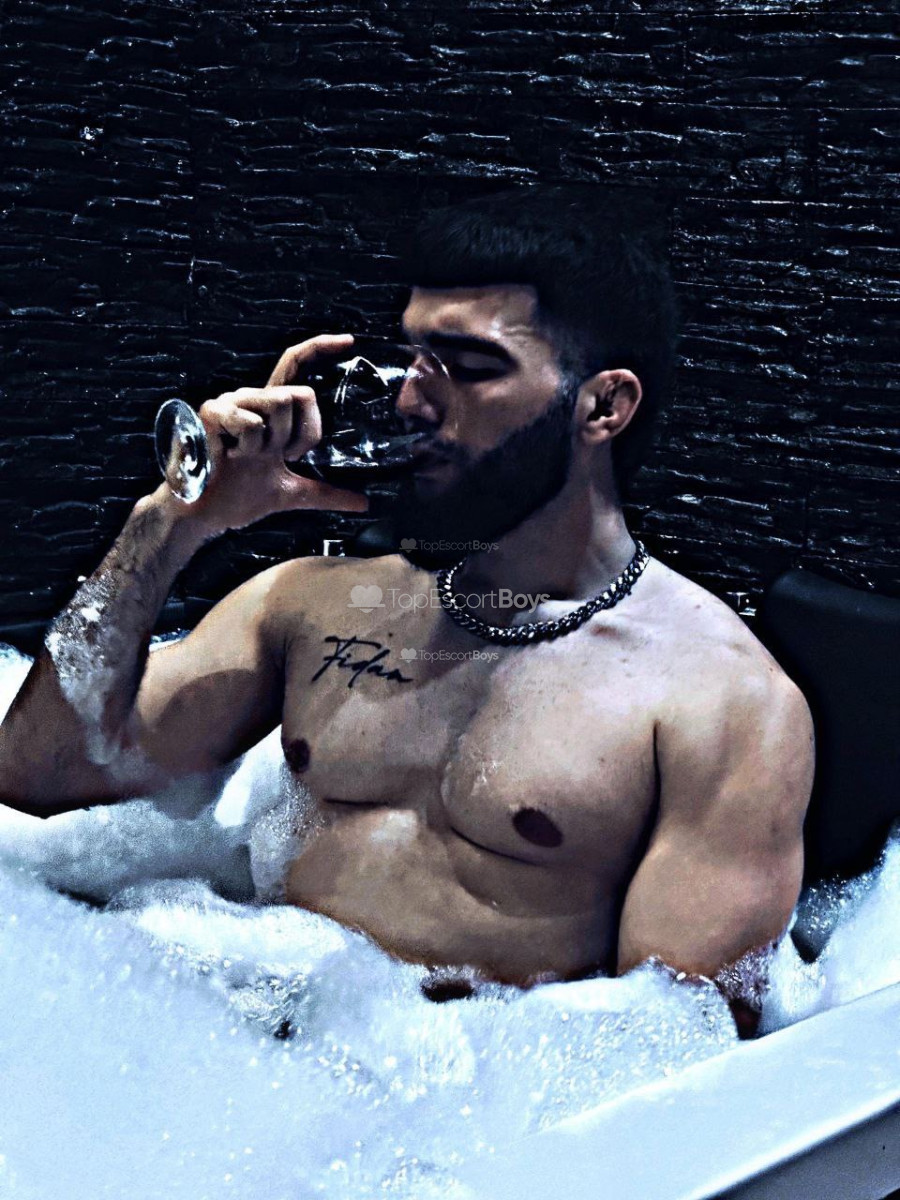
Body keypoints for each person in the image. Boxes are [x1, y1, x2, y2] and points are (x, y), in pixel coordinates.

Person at [0, 187, 814, 1035]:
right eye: (417, 358)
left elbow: (672, 1047)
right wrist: (174, 521)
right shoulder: (311, 603)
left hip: (470, 1095)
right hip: (223, 1048)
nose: (412, 402)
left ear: (603, 407)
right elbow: (37, 775)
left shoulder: (722, 703)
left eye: (469, 367)